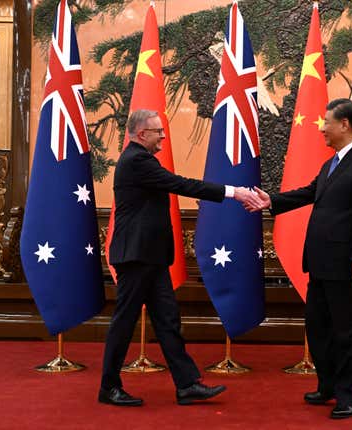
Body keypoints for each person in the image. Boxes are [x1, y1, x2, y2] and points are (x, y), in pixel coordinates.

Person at [99, 109, 261, 407]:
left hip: (151, 256)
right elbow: (182, 184)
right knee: (124, 321)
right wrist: (233, 192)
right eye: (157, 130)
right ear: (140, 134)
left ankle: (186, 385)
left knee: (168, 320)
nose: (163, 135)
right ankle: (109, 387)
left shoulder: (142, 159)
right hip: (136, 256)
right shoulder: (137, 161)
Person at [252, 99, 352, 419]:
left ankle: (349, 396)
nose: (322, 128)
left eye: (327, 121)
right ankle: (327, 385)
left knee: (348, 332)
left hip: (348, 265)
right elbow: (308, 193)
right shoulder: (332, 164)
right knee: (318, 329)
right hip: (321, 263)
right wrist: (272, 200)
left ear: (345, 124)